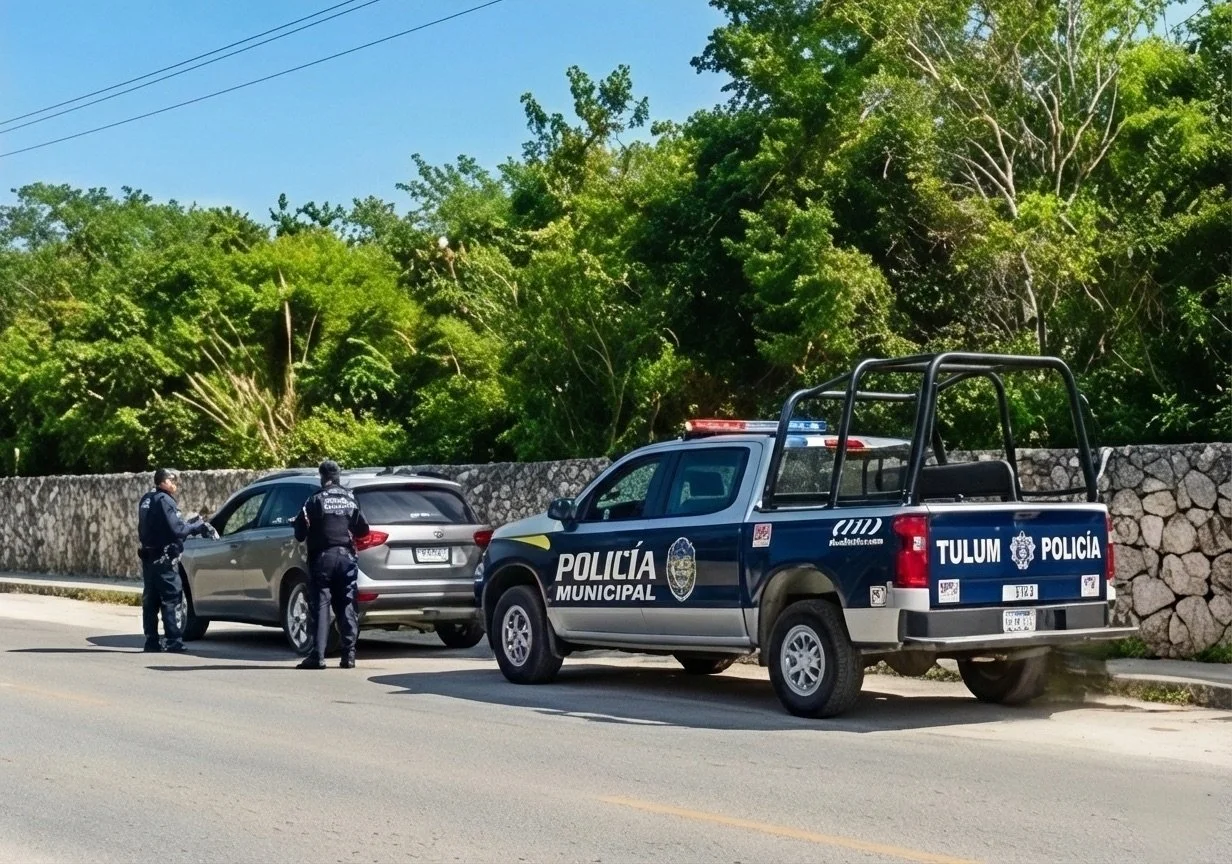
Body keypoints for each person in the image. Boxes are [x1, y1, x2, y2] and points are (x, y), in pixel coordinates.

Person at [293, 460, 371, 669]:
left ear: (322, 477)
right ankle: (349, 656)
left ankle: (317, 656)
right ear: (338, 477)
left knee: (321, 606)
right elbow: (363, 530)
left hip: (323, 558)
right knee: (347, 604)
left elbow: (300, 532)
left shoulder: (315, 499)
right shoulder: (351, 499)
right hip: (346, 558)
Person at [137, 468, 216, 653]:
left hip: (150, 557)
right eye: (173, 481)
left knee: (151, 600)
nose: (175, 485)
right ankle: (173, 640)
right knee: (171, 598)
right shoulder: (165, 500)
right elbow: (177, 529)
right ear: (164, 481)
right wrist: (198, 527)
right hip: (164, 558)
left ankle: (151, 641)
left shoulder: (147, 498)